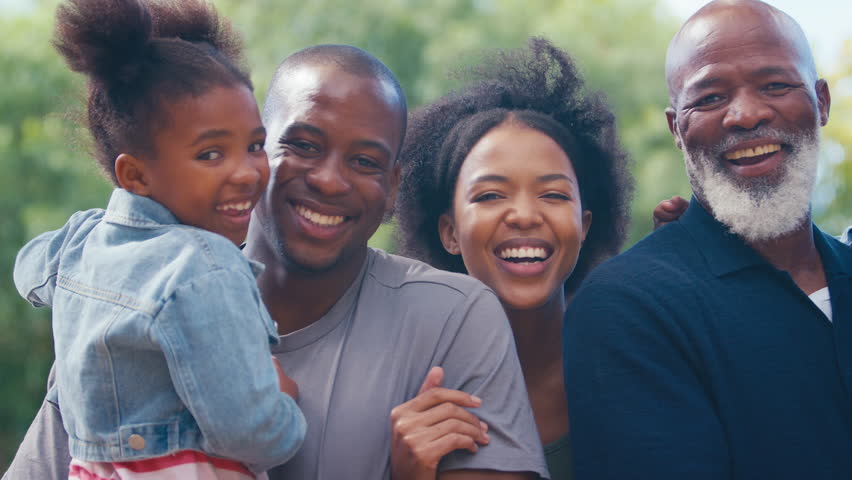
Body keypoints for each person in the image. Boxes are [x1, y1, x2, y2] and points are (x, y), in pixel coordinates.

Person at [4, 44, 548, 480]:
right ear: (261, 149)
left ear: (392, 189)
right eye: (304, 145)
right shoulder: (131, 314)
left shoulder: (453, 318)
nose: (329, 180)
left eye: (364, 161)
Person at [10, 0, 306, 478]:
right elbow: (251, 435)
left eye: (254, 145)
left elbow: (28, 267)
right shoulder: (204, 266)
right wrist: (285, 404)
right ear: (136, 175)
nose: (247, 172)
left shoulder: (80, 243)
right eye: (211, 154)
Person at [563, 1, 852, 479]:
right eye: (711, 98)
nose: (744, 114)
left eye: (775, 85)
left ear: (821, 102)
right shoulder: (629, 306)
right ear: (677, 128)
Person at [394, 37, 633, 480]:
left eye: (552, 194)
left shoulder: (631, 370)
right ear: (448, 231)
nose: (524, 215)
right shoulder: (409, 388)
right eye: (489, 195)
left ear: (584, 225)